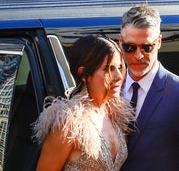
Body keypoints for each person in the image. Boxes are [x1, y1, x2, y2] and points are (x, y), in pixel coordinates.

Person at [119, 4, 179, 171]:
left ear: (159, 42)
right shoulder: (109, 89)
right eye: (130, 47)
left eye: (147, 47)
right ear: (120, 42)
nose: (138, 55)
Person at [33, 35, 134, 170]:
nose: (119, 76)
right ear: (83, 74)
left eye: (120, 67)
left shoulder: (116, 114)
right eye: (109, 69)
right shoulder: (68, 123)